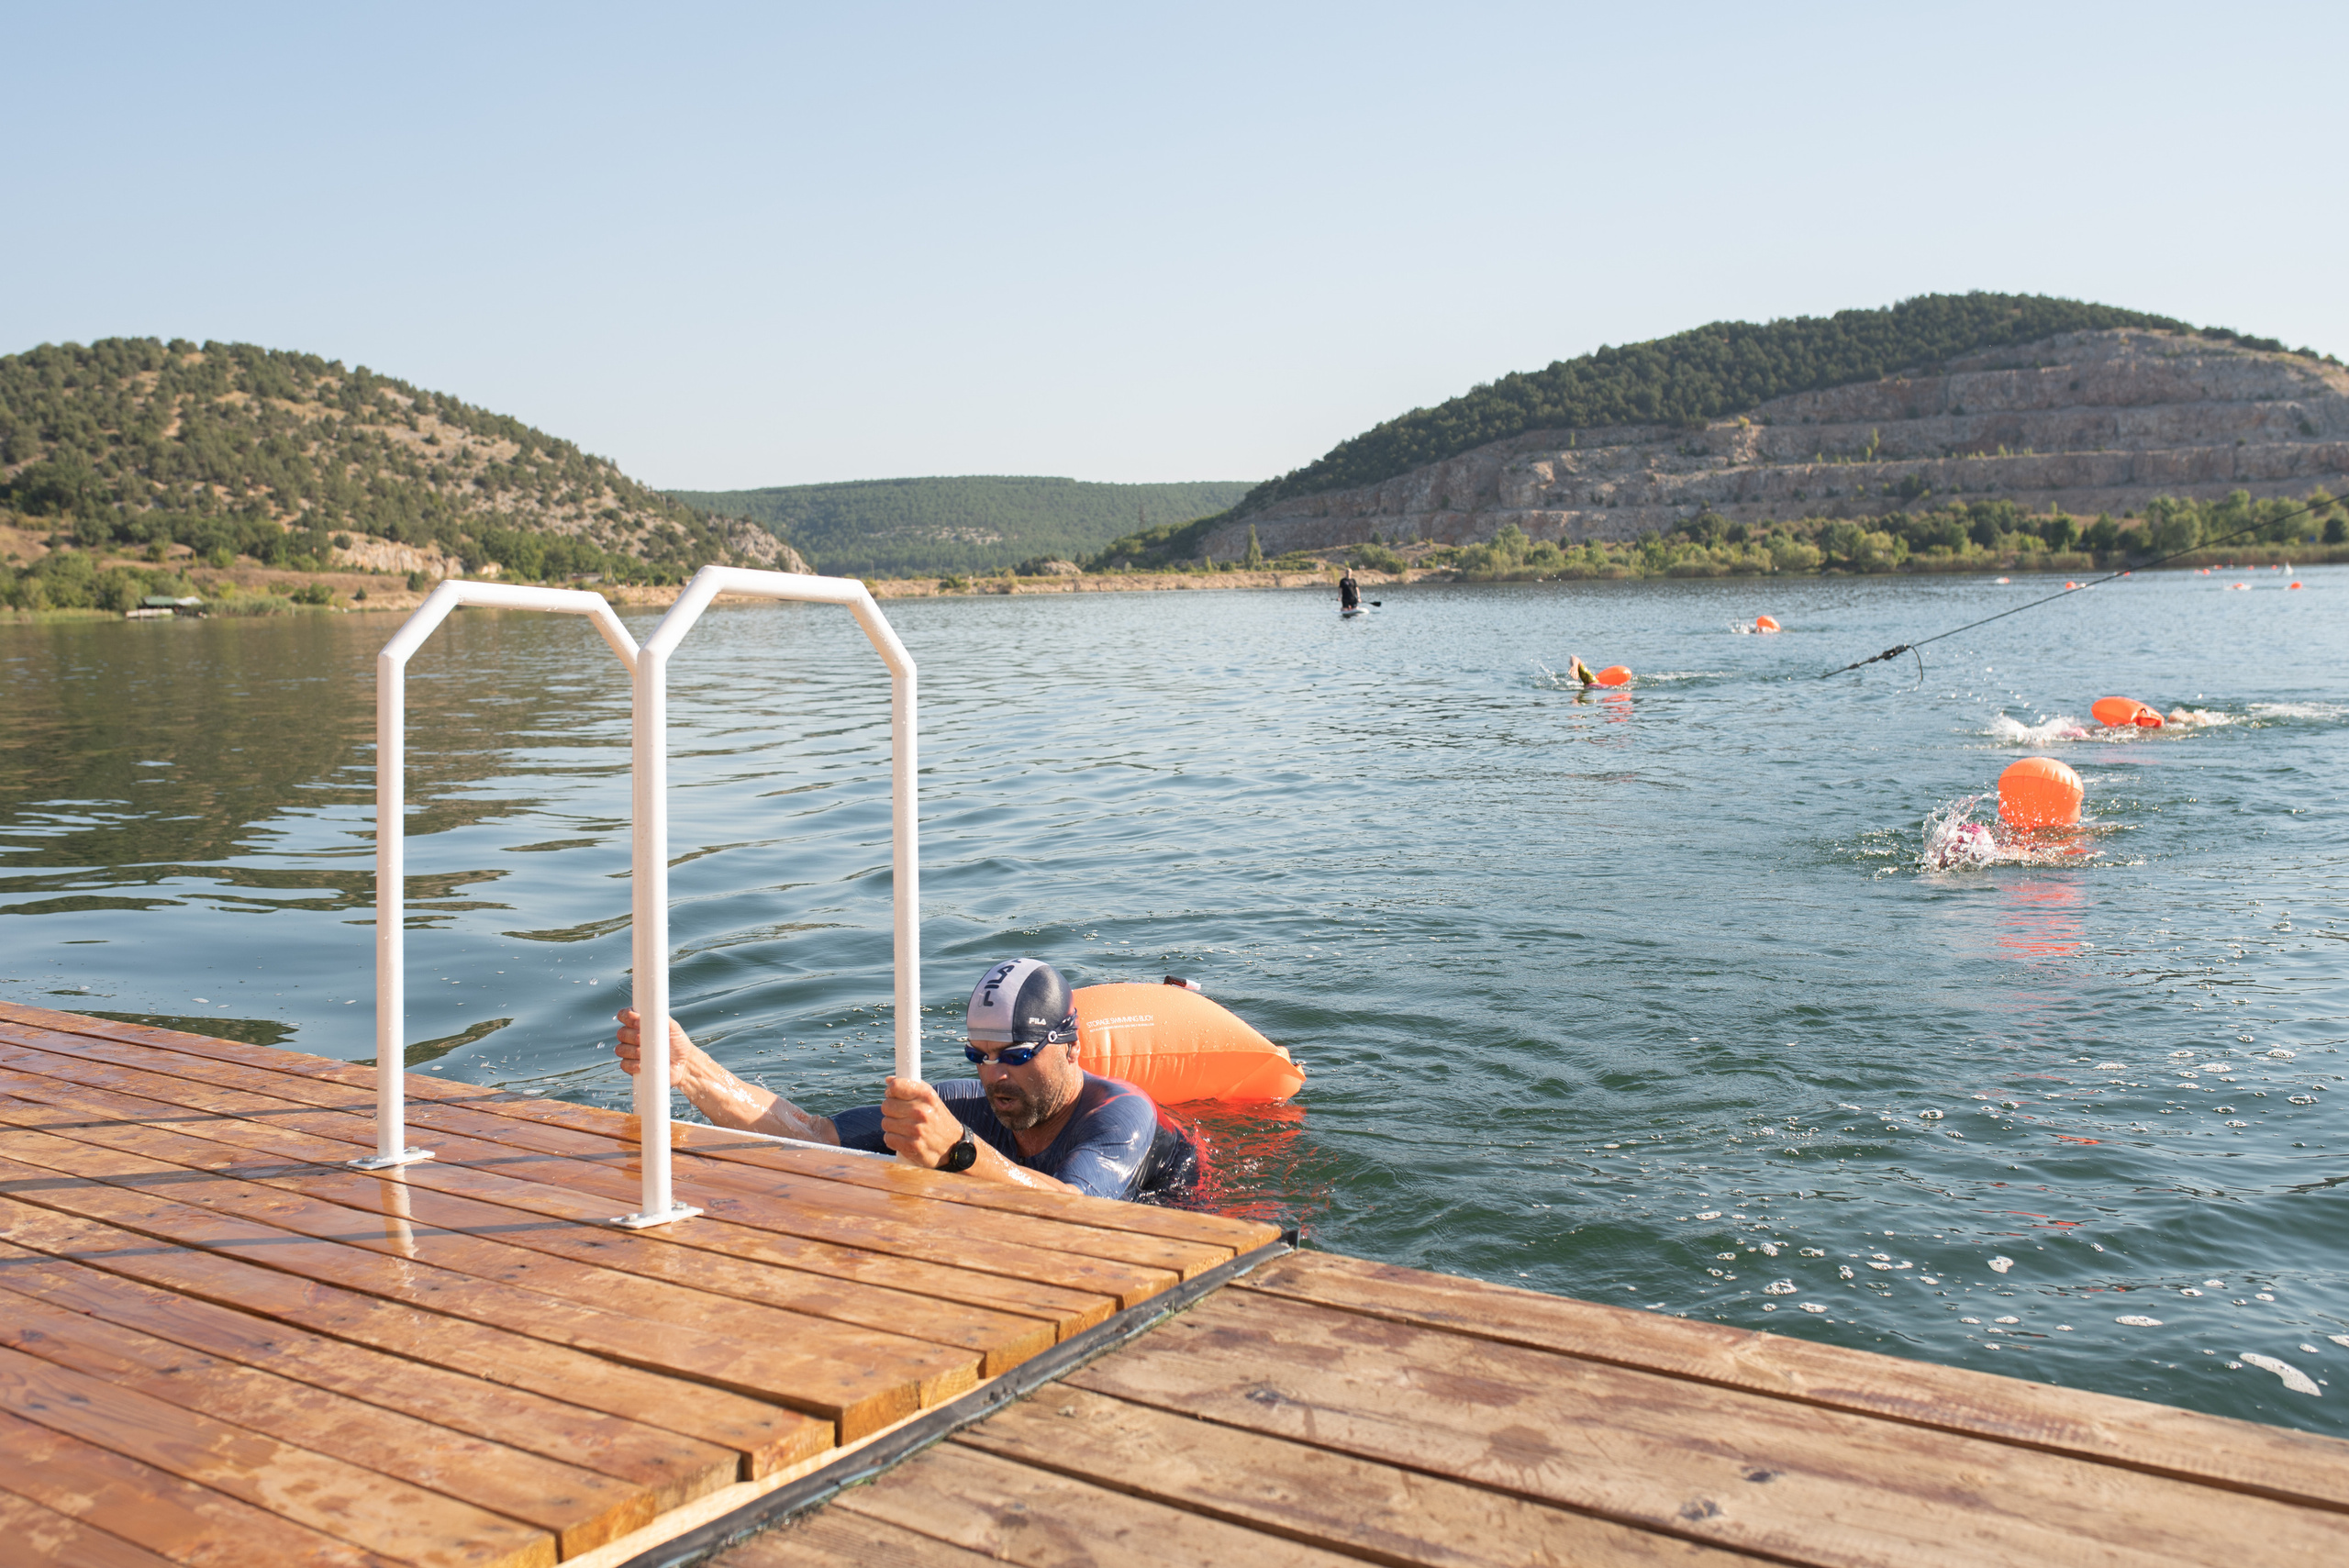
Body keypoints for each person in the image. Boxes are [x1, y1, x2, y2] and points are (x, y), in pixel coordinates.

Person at [611, 958, 1197, 1202]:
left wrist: (960, 1155)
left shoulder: (1121, 1115)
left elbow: (1083, 1212)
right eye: (979, 1055)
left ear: (1073, 1049)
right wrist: (690, 1069)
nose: (995, 1076)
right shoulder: (971, 1103)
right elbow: (812, 1135)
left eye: (1015, 1056)